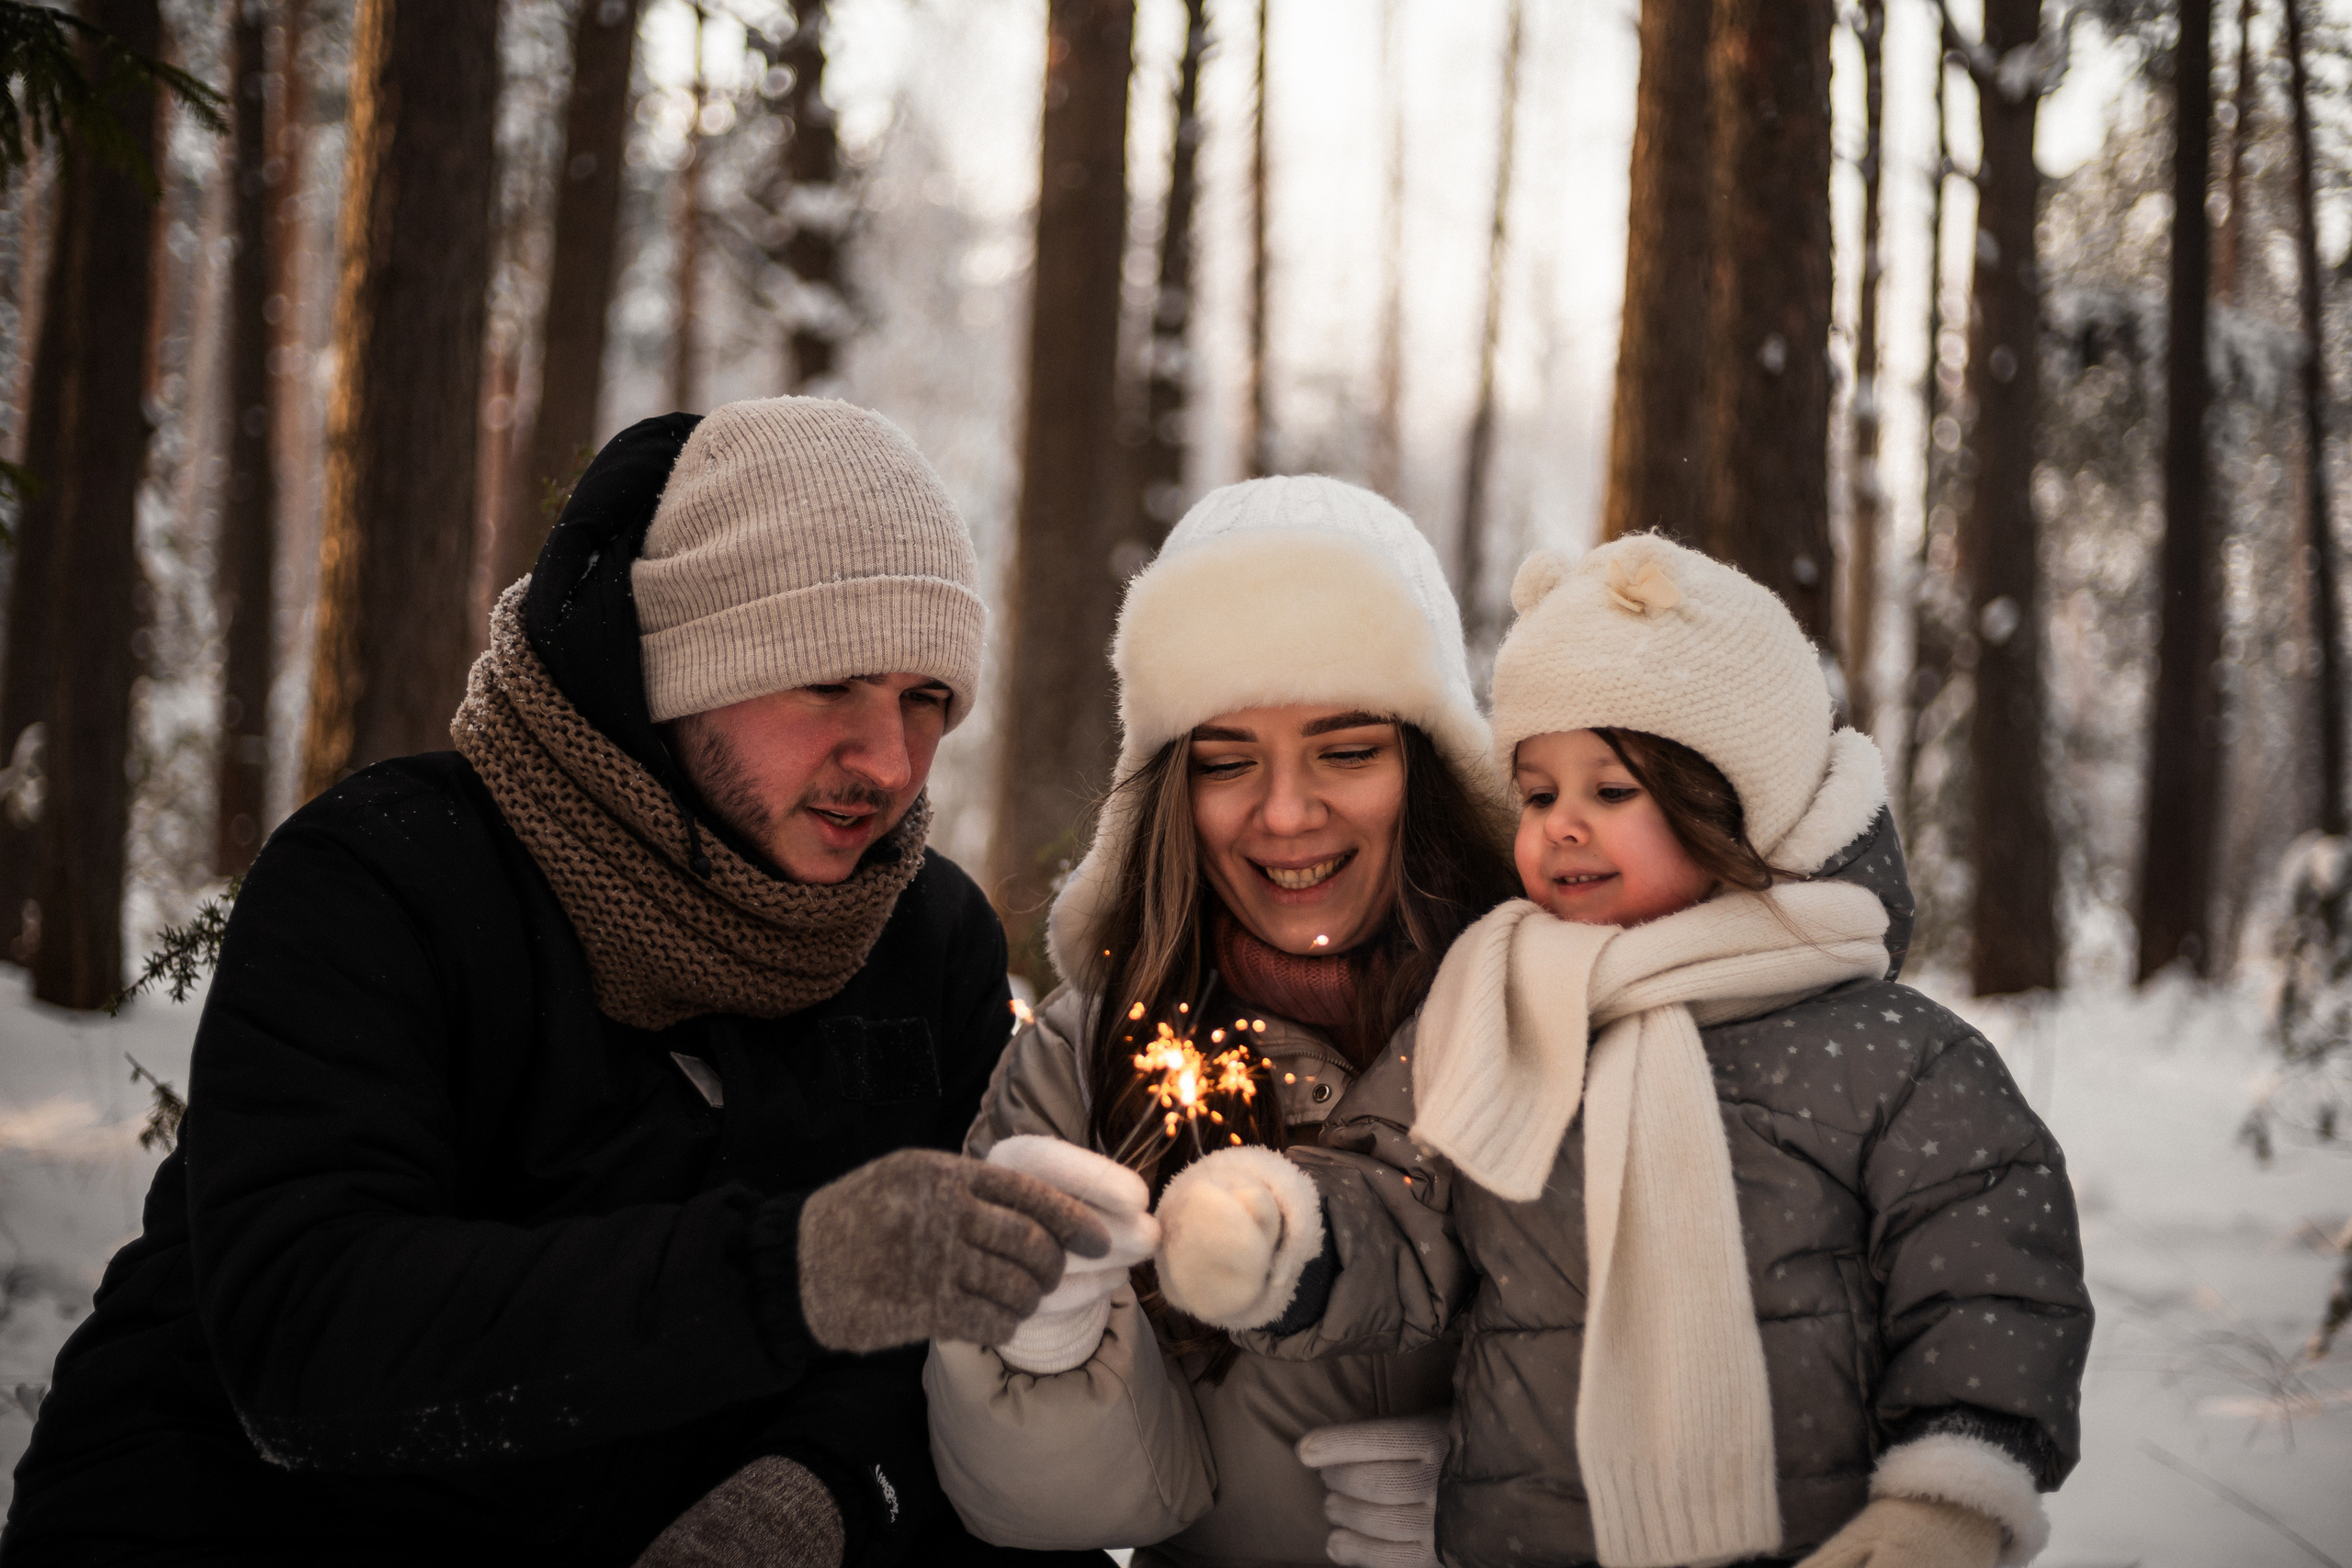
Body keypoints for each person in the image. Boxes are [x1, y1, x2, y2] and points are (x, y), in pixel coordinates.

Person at [1, 400, 1118, 1568]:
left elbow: (942, 1340)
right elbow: (307, 1335)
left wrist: (817, 1496)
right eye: (829, 682)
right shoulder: (384, 880)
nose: (888, 761)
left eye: (926, 701)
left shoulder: (922, 934)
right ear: (680, 667)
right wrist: (790, 1271)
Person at [1154, 534, 2094, 1568]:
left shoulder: (1885, 1054)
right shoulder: (1494, 1003)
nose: (1560, 827)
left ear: (1736, 802)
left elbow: (1989, 1285)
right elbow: (1401, 1210)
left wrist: (1949, 1498)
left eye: (1610, 793)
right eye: (1538, 792)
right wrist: (1289, 1242)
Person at [923, 477, 1521, 1568]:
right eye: (1226, 762)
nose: (1286, 813)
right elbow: (1041, 1512)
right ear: (1168, 794)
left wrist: (1518, 1498)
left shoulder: (1548, 1009)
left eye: (1346, 751)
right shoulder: (1081, 1057)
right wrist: (1046, 1347)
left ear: (1425, 766)